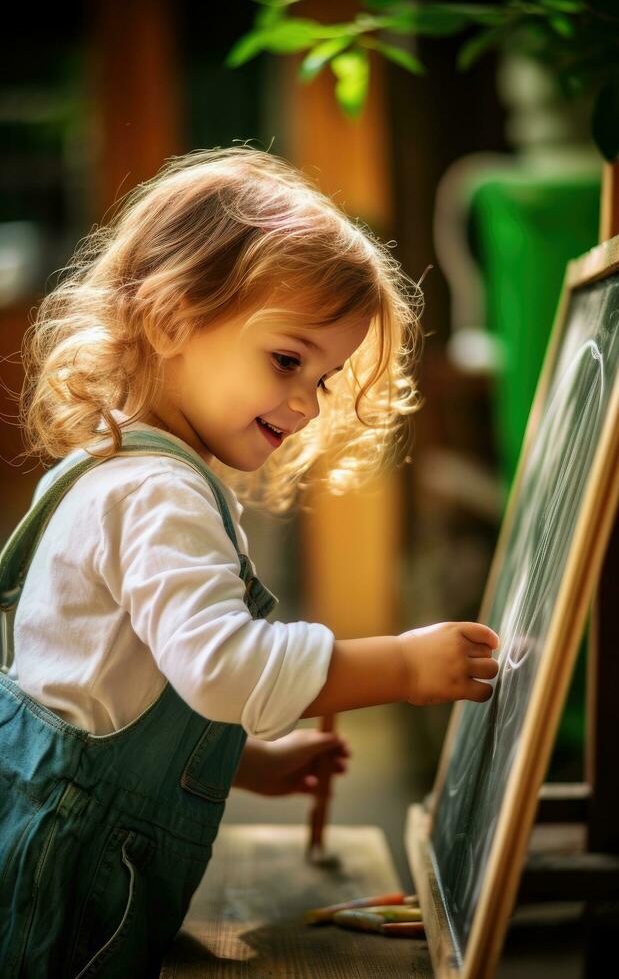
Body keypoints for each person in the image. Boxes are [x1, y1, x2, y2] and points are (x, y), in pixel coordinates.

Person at [0, 146, 499, 977]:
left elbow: (113, 690)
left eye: (326, 378)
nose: (305, 403)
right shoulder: (156, 493)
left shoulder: (115, 464)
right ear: (169, 319)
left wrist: (242, 763)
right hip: (70, 907)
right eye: (287, 360)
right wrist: (404, 665)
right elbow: (224, 667)